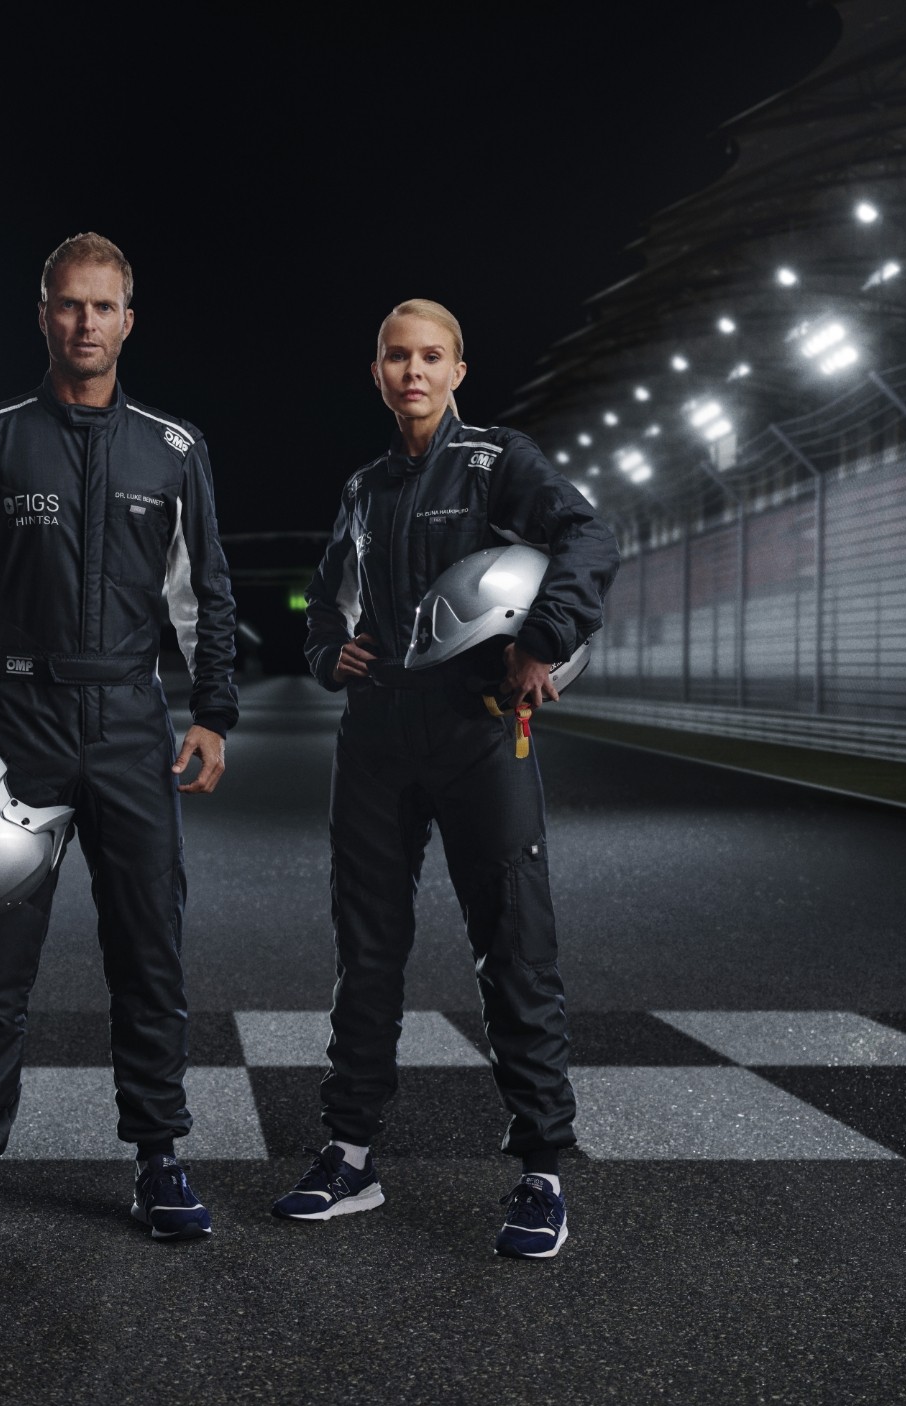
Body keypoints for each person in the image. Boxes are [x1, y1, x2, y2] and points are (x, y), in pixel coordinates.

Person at [272, 298, 617, 1259]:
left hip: (479, 730)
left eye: (430, 356)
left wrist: (542, 643)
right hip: (377, 739)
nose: (411, 371)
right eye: (395, 355)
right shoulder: (364, 486)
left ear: (457, 369)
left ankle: (542, 1170)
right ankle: (349, 1156)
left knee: (514, 944)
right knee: (366, 951)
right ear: (375, 370)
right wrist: (323, 649)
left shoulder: (499, 461)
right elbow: (325, 594)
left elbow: (589, 538)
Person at [0, 233, 238, 1255]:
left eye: (103, 307)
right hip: (18, 730)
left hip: (133, 729)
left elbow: (204, 593)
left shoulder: (174, 449)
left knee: (148, 951)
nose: (85, 323)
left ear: (128, 319)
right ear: (43, 312)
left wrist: (212, 712)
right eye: (67, 305)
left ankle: (158, 1158)